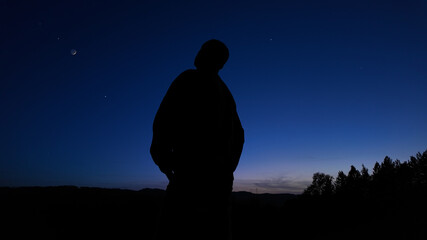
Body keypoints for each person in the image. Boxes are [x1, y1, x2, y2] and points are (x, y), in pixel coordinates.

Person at [150, 39, 244, 240]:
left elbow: (164, 119)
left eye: (204, 50)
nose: (199, 53)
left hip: (190, 175)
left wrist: (164, 159)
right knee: (213, 235)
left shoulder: (189, 79)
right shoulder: (227, 94)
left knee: (174, 234)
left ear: (217, 61)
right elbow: (240, 137)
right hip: (218, 181)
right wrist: (227, 168)